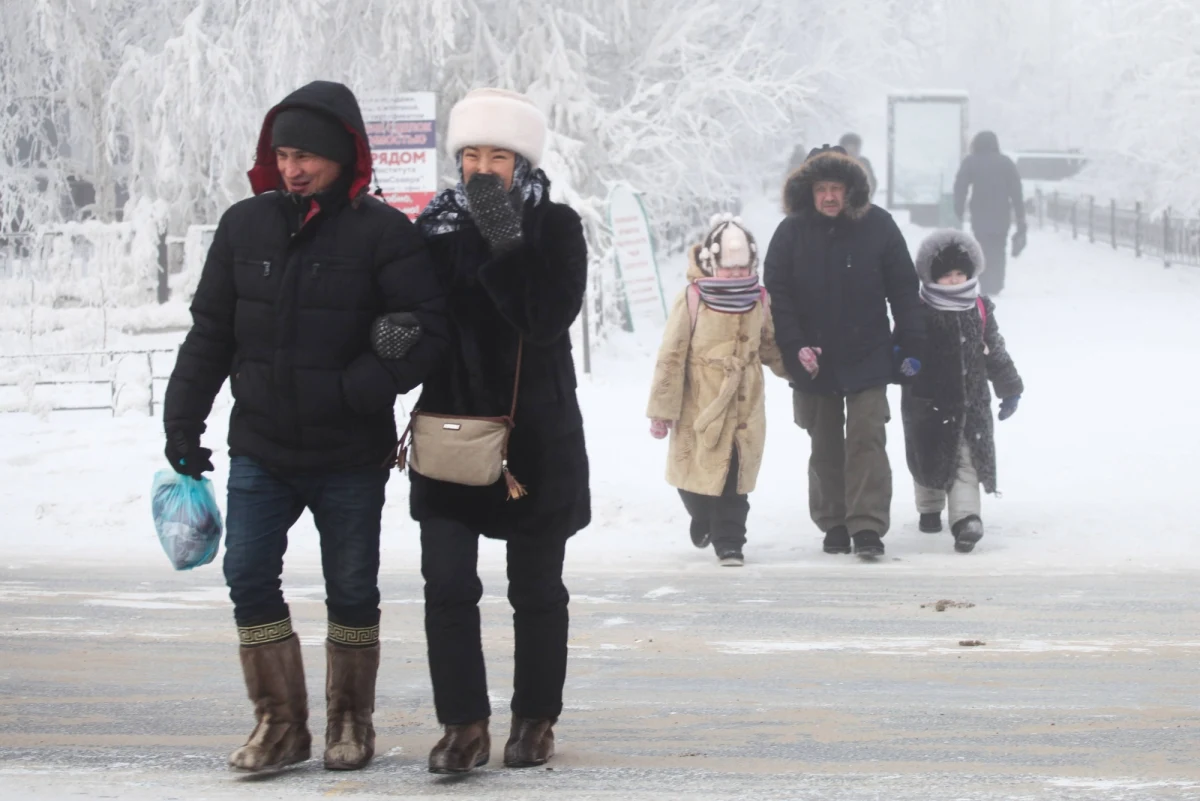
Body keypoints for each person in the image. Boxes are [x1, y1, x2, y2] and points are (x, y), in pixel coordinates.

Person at [162, 80, 448, 773]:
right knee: (247, 574)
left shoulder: (383, 234)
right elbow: (211, 332)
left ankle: (351, 718)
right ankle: (280, 723)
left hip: (349, 451)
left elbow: (426, 328)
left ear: (343, 157)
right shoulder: (243, 226)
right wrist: (183, 420)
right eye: (284, 155)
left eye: (307, 157)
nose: (292, 169)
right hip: (262, 445)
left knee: (350, 587)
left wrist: (358, 389)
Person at [403, 88, 590, 775]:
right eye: (472, 154)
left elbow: (545, 319)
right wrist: (391, 336)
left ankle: (535, 718)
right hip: (451, 433)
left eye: (499, 156)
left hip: (534, 439)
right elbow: (416, 322)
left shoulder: (557, 227)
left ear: (523, 162)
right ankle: (463, 725)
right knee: (446, 584)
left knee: (535, 588)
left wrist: (504, 238)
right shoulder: (432, 230)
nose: (483, 168)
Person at [764, 145, 924, 560]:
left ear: (851, 189)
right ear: (809, 191)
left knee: (867, 437)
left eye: (836, 187)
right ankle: (834, 521)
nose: (829, 196)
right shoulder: (791, 233)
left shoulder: (879, 226)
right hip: (814, 357)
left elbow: (904, 289)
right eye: (821, 188)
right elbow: (777, 296)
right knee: (825, 443)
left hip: (868, 351)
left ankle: (867, 525)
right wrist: (794, 346)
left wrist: (911, 341)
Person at [647, 214, 788, 567]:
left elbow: (769, 345)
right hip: (700, 402)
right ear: (712, 264)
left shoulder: (759, 299)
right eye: (729, 268)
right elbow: (671, 356)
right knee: (693, 475)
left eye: (743, 267)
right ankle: (702, 515)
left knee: (735, 476)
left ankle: (730, 543)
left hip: (745, 403)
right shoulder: (693, 298)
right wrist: (661, 410)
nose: (737, 275)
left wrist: (800, 369)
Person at [903, 229, 1024, 553]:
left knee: (966, 459)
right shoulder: (920, 310)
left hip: (971, 403)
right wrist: (905, 364)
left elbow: (994, 349)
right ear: (931, 276)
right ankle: (929, 508)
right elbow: (902, 346)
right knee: (928, 457)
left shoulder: (979, 308)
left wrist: (1009, 388)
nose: (955, 280)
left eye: (960, 273)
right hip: (928, 402)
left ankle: (966, 520)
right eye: (946, 275)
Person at [953, 131, 1027, 295]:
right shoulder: (1006, 162)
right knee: (999, 248)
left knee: (982, 247)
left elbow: (960, 186)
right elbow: (1016, 191)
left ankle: (986, 283)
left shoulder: (971, 161)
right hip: (1002, 213)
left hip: (979, 213)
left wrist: (959, 208)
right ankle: (997, 283)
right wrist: (1020, 215)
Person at [838, 133, 877, 200]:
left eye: (855, 149)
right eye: (849, 150)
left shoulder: (864, 163)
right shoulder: (835, 164)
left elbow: (872, 184)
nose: (852, 153)